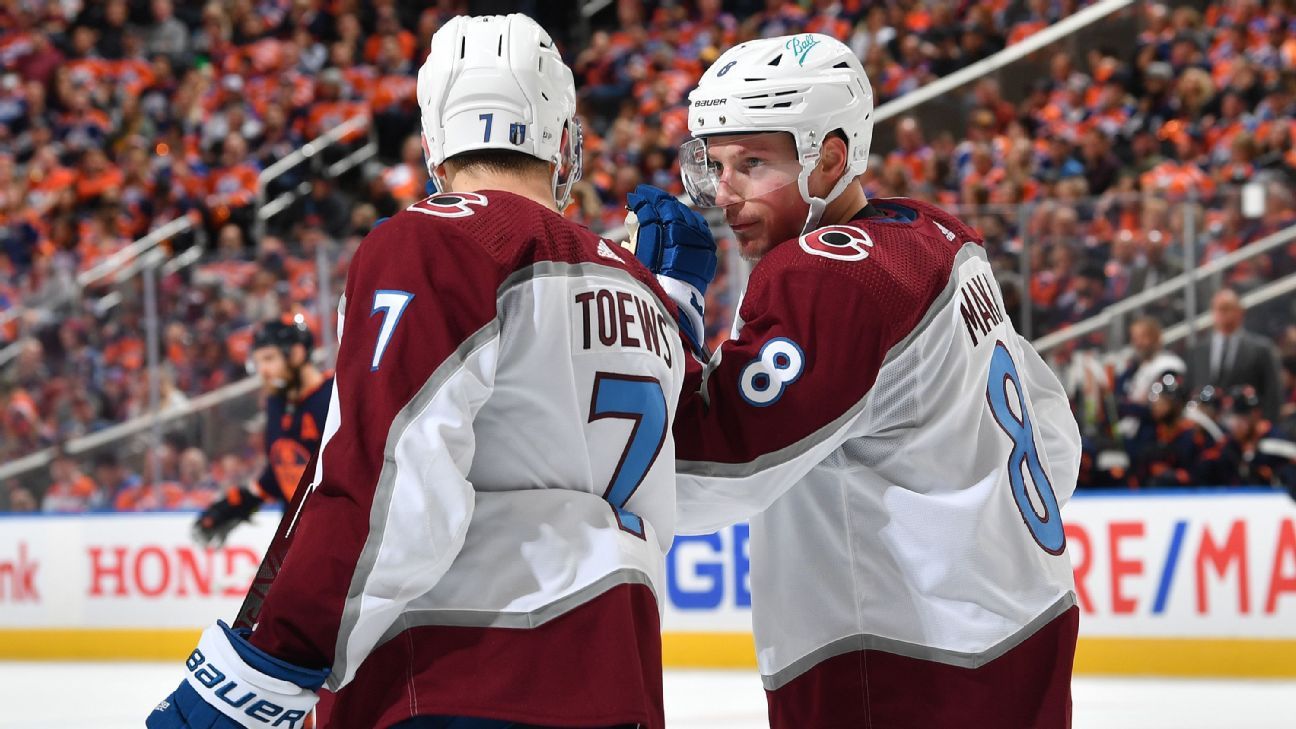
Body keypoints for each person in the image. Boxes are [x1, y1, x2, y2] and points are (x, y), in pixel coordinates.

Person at [150, 14, 685, 729]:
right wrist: (682, 308)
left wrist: (263, 666)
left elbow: (388, 485)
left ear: (434, 139)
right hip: (621, 690)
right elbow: (697, 480)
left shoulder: (434, 240)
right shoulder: (641, 286)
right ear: (562, 140)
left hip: (451, 686)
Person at [628, 33, 1081, 728]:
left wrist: (666, 304)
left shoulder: (826, 276)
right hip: (1025, 631)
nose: (724, 194)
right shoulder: (938, 236)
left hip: (905, 668)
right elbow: (1053, 434)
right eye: (714, 165)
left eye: (753, 163)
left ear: (831, 157)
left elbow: (699, 476)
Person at [192, 316, 332, 547]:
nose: (262, 371)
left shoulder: (334, 399)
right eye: (258, 362)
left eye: (269, 358)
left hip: (338, 541)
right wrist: (239, 502)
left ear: (296, 353)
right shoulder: (277, 403)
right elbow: (282, 475)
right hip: (297, 543)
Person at [1187, 288, 1284, 420]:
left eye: (1227, 308)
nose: (1222, 313)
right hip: (1206, 428)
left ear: (1240, 312)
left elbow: (1272, 393)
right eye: (1218, 309)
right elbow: (1190, 389)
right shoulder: (1198, 351)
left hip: (1247, 426)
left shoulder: (1261, 349)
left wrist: (1268, 424)